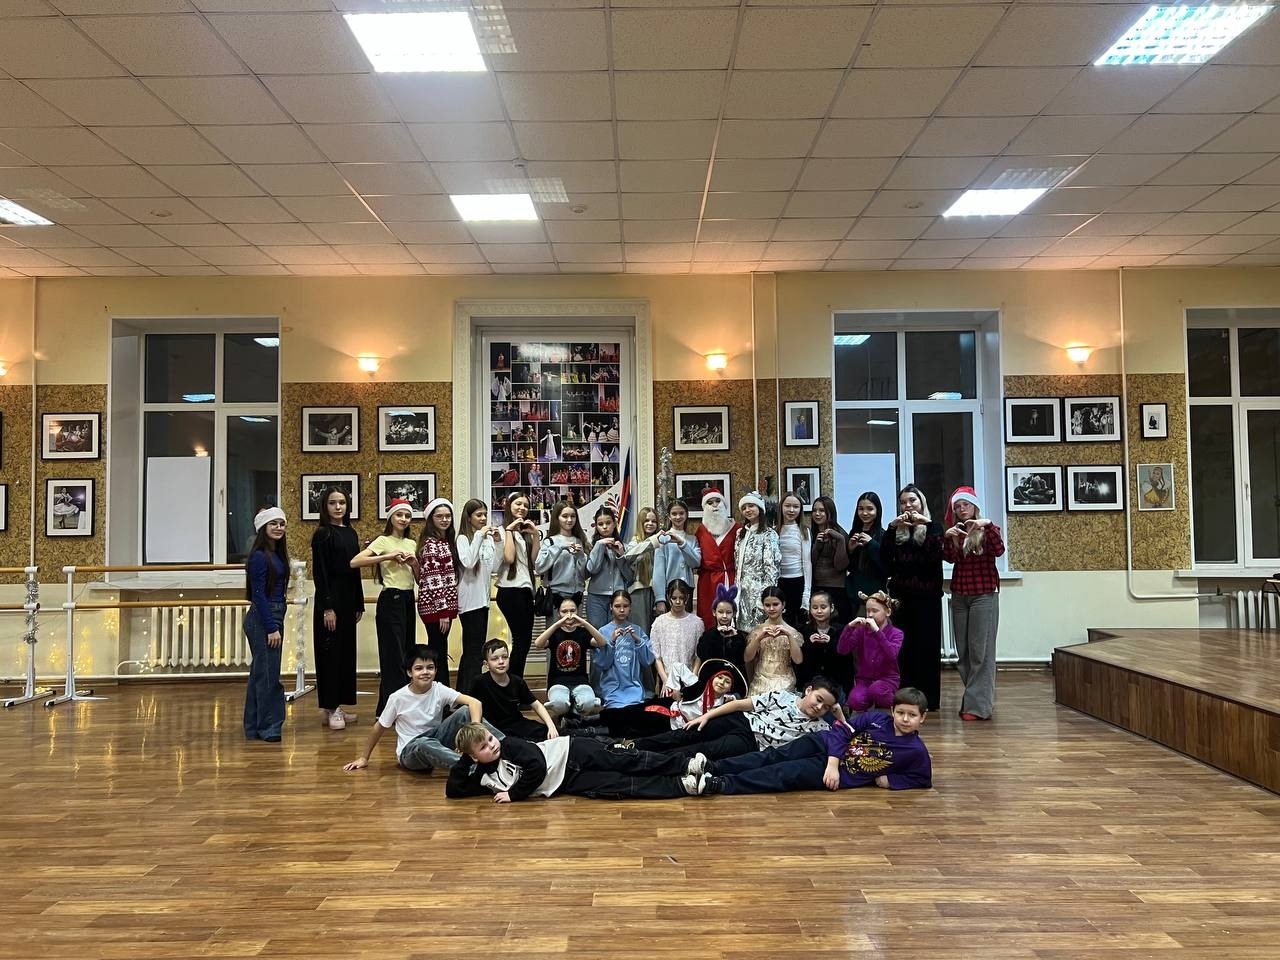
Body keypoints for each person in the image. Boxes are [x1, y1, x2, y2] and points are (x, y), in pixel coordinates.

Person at [689, 687, 932, 795]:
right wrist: (833, 763)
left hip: (838, 774)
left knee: (781, 773)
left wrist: (891, 781)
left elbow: (923, 779)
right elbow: (841, 730)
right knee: (774, 755)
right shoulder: (877, 718)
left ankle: (719, 784)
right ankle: (713, 767)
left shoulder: (916, 751)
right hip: (825, 745)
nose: (905, 719)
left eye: (912, 715)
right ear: (892, 710)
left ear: (922, 717)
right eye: (900, 712)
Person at [343, 646, 500, 774]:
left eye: (430, 668)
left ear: (435, 670)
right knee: (424, 743)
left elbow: (474, 703)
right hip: (410, 751)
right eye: (419, 668)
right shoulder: (397, 698)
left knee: (465, 711)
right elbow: (378, 728)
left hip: (436, 740)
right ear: (409, 672)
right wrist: (364, 758)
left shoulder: (438, 689)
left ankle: (506, 749)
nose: (425, 672)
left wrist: (475, 729)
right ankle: (474, 770)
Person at [446, 724, 696, 802]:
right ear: (474, 756)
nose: (492, 745)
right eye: (483, 747)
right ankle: (681, 785)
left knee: (626, 759)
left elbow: (537, 766)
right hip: (567, 781)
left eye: (490, 739)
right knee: (619, 785)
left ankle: (684, 765)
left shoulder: (509, 745)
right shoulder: (485, 777)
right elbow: (454, 790)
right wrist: (464, 759)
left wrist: (513, 794)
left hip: (572, 750)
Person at [632, 677, 842, 762]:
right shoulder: (783, 696)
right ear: (809, 690)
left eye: (826, 707)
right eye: (819, 699)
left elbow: (846, 736)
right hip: (740, 719)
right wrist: (706, 715)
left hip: (752, 742)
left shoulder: (820, 727)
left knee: (703, 750)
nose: (819, 707)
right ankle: (633, 746)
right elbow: (740, 704)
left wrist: (838, 713)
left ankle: (644, 759)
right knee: (686, 734)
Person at [942, 486, 1005, 722]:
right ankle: (975, 699)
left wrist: (986, 525)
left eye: (965, 505)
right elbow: (950, 558)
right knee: (965, 653)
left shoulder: (987, 530)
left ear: (974, 506)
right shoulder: (957, 532)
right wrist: (948, 538)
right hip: (960, 595)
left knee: (981, 652)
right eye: (957, 507)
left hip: (984, 595)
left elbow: (999, 550)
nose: (961, 510)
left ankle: (978, 707)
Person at [880, 483, 944, 711]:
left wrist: (926, 525)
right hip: (901, 599)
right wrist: (891, 528)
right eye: (903, 502)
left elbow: (935, 556)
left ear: (921, 503)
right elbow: (885, 561)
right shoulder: (897, 531)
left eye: (912, 501)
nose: (908, 506)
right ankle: (906, 696)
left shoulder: (934, 528)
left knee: (926, 648)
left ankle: (929, 699)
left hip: (927, 599)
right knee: (904, 649)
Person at [351, 498, 418, 715]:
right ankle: (392, 709)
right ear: (391, 517)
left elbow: (418, 579)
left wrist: (414, 563)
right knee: (393, 656)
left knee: (406, 654)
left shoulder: (412, 543)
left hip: (408, 599)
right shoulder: (382, 540)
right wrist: (387, 556)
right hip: (391, 599)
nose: (404, 519)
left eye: (407, 516)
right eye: (399, 515)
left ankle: (392, 707)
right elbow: (355, 561)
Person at [310, 486, 365, 731]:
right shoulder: (322, 534)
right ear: (325, 506)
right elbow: (320, 573)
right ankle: (331, 707)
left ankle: (337, 705)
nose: (338, 507)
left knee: (344, 654)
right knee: (330, 655)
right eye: (333, 503)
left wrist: (359, 603)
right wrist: (327, 608)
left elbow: (355, 571)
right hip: (330, 601)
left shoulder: (351, 533)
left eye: (342, 502)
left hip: (348, 600)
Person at [243, 507, 290, 742]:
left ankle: (253, 727)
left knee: (260, 674)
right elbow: (259, 595)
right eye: (273, 524)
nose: (279, 528)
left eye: (282, 524)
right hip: (265, 618)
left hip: (274, 613)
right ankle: (269, 726)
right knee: (269, 676)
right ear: (263, 527)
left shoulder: (276, 554)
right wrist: (272, 627)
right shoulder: (260, 556)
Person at [457, 499, 503, 698]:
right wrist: (478, 535)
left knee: (475, 651)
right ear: (469, 518)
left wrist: (498, 542)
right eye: (478, 515)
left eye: (485, 514)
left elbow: (496, 568)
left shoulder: (487, 539)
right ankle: (469, 696)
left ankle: (465, 693)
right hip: (469, 603)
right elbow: (468, 562)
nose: (483, 518)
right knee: (473, 652)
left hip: (483, 602)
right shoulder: (463, 538)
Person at [533, 593, 605, 721]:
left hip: (580, 682)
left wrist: (584, 623)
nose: (569, 615)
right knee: (559, 704)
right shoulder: (555, 633)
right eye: (564, 611)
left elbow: (602, 642)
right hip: (557, 682)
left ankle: (572, 711)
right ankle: (572, 710)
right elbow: (538, 643)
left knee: (588, 704)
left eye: (572, 610)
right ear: (558, 613)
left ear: (577, 611)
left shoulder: (583, 633)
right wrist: (557, 624)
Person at [470, 639, 559, 742]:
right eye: (495, 659)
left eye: (504, 657)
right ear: (486, 664)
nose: (501, 662)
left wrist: (551, 726)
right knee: (515, 743)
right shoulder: (479, 682)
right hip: (494, 728)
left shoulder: (517, 681)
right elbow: (469, 707)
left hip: (517, 724)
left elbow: (537, 705)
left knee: (547, 732)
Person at [416, 498, 461, 689]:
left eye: (448, 516)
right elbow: (433, 579)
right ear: (431, 519)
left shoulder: (446, 542)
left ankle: (440, 691)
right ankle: (439, 691)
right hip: (435, 608)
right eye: (439, 516)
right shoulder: (431, 544)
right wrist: (442, 611)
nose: (444, 520)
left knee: (440, 648)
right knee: (438, 650)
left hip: (444, 607)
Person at [495, 493, 541, 678]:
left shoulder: (524, 533)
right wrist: (509, 531)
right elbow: (509, 558)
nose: (522, 508)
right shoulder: (501, 530)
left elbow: (534, 561)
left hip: (525, 590)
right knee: (521, 641)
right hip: (510, 591)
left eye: (526, 505)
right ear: (509, 505)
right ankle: (513, 684)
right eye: (518, 504)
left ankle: (514, 682)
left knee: (525, 641)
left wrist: (535, 535)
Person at [594, 591, 656, 727]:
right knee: (617, 718)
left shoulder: (637, 630)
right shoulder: (603, 631)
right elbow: (603, 664)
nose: (622, 610)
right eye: (617, 606)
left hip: (634, 688)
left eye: (625, 606)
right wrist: (611, 642)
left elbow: (647, 660)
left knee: (635, 718)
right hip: (613, 689)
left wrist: (638, 641)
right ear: (611, 607)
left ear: (630, 607)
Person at [837, 590, 903, 713]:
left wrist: (877, 631)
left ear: (888, 612)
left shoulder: (896, 633)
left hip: (888, 679)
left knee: (876, 690)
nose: (870, 615)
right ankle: (870, 708)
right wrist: (849, 627)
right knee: (854, 701)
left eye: (875, 611)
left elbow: (892, 654)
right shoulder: (861, 630)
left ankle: (897, 706)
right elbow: (842, 650)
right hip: (864, 680)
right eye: (868, 611)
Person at [648, 578, 704, 696]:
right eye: (674, 598)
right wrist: (666, 680)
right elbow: (657, 657)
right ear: (668, 598)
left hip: (689, 679)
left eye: (681, 598)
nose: (678, 602)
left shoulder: (697, 623)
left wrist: (692, 679)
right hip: (666, 679)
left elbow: (698, 656)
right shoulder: (659, 622)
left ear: (687, 598)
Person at [733, 492, 780, 632]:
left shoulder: (769, 534)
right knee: (742, 634)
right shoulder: (740, 534)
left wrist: (765, 598)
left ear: (760, 508)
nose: (747, 510)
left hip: (759, 593)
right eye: (744, 508)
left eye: (751, 506)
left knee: (759, 633)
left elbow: (771, 570)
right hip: (741, 593)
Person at [745, 585, 803, 696]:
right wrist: (758, 638)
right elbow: (747, 658)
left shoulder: (792, 632)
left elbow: (798, 660)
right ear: (763, 606)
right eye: (767, 605)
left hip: (785, 680)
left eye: (775, 604)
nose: (771, 609)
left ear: (783, 605)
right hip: (760, 680)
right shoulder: (757, 630)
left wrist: (789, 636)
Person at [693, 488, 739, 625]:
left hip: (732, 578)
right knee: (708, 617)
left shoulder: (737, 529)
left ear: (724, 504)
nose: (714, 506)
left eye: (718, 501)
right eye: (710, 502)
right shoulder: (700, 532)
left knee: (733, 616)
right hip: (708, 582)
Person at [535, 499, 590, 612]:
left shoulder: (580, 540)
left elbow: (585, 574)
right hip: (556, 595)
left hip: (577, 595)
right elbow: (539, 567)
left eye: (573, 516)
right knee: (556, 624)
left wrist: (581, 556)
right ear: (557, 518)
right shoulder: (550, 542)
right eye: (565, 516)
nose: (569, 520)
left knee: (575, 623)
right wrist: (559, 548)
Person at [584, 506, 634, 627]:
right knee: (597, 631)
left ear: (614, 523)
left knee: (617, 631)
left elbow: (630, 577)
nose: (605, 527)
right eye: (600, 524)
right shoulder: (592, 547)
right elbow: (592, 569)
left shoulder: (624, 546)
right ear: (596, 526)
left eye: (608, 523)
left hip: (618, 597)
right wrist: (599, 546)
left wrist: (621, 556)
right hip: (596, 596)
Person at [652, 498, 701, 616]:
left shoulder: (692, 539)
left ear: (686, 515)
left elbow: (696, 563)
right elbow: (658, 571)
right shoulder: (663, 539)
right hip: (669, 589)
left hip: (687, 589)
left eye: (681, 513)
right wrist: (660, 599)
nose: (678, 517)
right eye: (674, 514)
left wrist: (682, 543)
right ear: (669, 516)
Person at [809, 496, 852, 623]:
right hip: (816, 587)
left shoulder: (840, 534)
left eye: (822, 510)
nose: (817, 514)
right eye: (814, 510)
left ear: (830, 512)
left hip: (836, 588)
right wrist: (817, 546)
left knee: (837, 626)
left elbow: (840, 566)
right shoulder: (811, 533)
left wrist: (840, 541)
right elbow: (811, 562)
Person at [798, 589, 849, 694]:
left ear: (831, 608)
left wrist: (831, 643)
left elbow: (846, 661)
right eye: (815, 607)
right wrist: (809, 644)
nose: (819, 611)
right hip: (810, 682)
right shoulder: (804, 630)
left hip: (834, 682)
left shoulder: (841, 630)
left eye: (823, 607)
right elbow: (800, 662)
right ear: (810, 609)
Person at [846, 491, 887, 616]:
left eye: (870, 509)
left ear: (877, 511)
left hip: (874, 596)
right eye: (861, 509)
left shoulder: (883, 535)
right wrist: (850, 549)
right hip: (854, 594)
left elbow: (886, 566)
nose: (864, 513)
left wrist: (871, 543)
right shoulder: (854, 532)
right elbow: (849, 566)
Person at [775, 492, 811, 632]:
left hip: (797, 582)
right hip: (779, 582)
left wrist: (806, 592)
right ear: (781, 507)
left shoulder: (803, 531)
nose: (791, 510)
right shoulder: (774, 531)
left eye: (796, 506)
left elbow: (807, 563)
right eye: (787, 506)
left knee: (796, 624)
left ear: (800, 509)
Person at [695, 584, 748, 676]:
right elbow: (702, 653)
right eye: (720, 612)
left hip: (733, 678)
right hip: (711, 678)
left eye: (728, 612)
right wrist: (716, 634)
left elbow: (741, 659)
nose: (724, 616)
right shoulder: (708, 635)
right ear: (714, 612)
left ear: (734, 613)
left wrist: (734, 638)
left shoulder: (739, 636)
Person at [623, 506, 661, 632]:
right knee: (641, 630)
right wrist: (653, 541)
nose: (650, 524)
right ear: (640, 522)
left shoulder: (660, 543)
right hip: (638, 591)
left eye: (654, 521)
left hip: (655, 591)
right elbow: (629, 557)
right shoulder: (634, 543)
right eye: (647, 520)